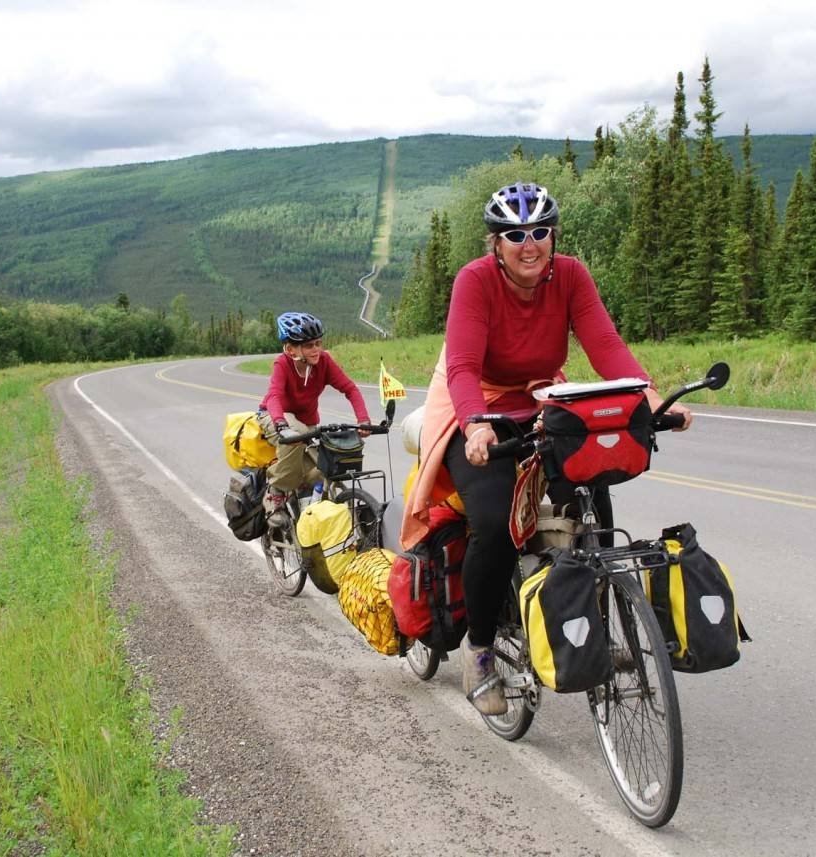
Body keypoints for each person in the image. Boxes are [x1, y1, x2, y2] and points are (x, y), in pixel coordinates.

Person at [403, 182, 693, 715]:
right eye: (514, 234)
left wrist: (648, 396)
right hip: (474, 403)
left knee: (593, 492)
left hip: (539, 397)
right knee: (493, 523)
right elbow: (464, 368)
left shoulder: (572, 276)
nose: (528, 243)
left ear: (553, 235)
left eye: (539, 232)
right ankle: (482, 649)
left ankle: (598, 626)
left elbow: (605, 344)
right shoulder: (475, 281)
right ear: (496, 243)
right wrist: (476, 427)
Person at [258, 311, 371, 523]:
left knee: (324, 470)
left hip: (307, 423)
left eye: (318, 343)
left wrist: (363, 420)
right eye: (309, 345)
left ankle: (312, 523)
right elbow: (274, 396)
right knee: (297, 435)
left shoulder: (324, 361)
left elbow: (350, 389)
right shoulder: (282, 364)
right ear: (291, 349)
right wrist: (281, 424)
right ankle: (275, 493)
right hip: (274, 417)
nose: (316, 349)